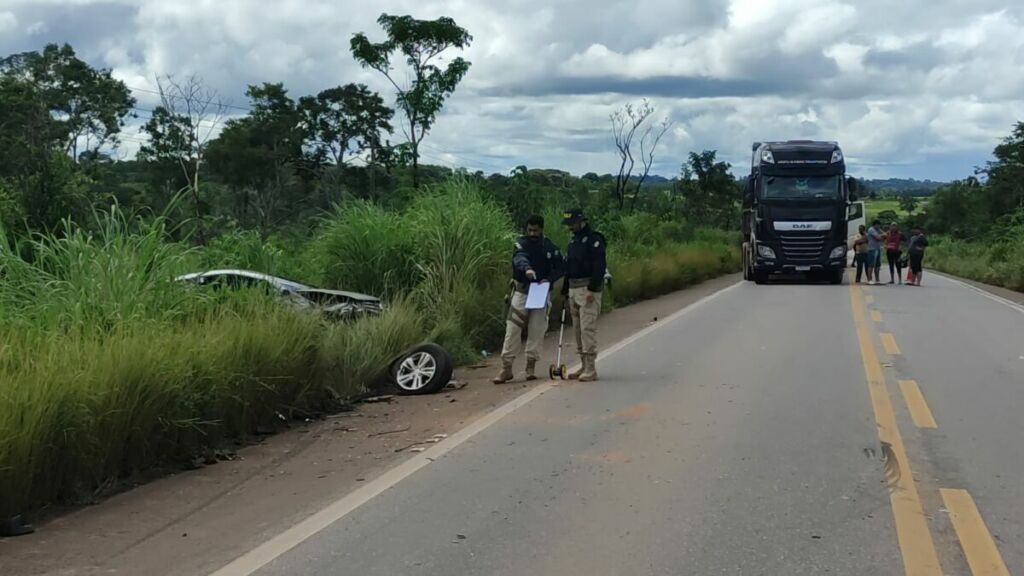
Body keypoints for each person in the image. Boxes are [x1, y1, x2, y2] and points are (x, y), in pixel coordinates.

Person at [492, 215, 565, 384]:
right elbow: (519, 258)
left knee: (537, 329)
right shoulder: (520, 243)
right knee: (512, 328)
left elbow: (561, 267)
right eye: (530, 230)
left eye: (536, 230)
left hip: (540, 291)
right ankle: (506, 367)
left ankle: (530, 365)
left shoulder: (549, 247)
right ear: (526, 229)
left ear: (541, 230)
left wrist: (550, 278)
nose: (532, 233)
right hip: (522, 290)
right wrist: (527, 269)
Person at [561, 208, 606, 382]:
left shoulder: (594, 240)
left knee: (587, 329)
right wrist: (565, 292)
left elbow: (599, 267)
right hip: (573, 289)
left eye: (572, 223)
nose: (570, 227)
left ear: (581, 221)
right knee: (578, 330)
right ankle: (583, 365)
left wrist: (592, 289)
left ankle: (591, 368)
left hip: (587, 289)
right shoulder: (573, 242)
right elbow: (569, 268)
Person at [866, 220, 886, 285]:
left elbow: (884, 236)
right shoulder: (871, 230)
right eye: (878, 225)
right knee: (871, 265)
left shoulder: (877, 230)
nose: (879, 226)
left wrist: (881, 232)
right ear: (875, 224)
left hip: (877, 248)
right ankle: (869, 279)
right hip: (872, 249)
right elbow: (878, 238)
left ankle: (877, 279)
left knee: (877, 265)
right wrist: (883, 235)